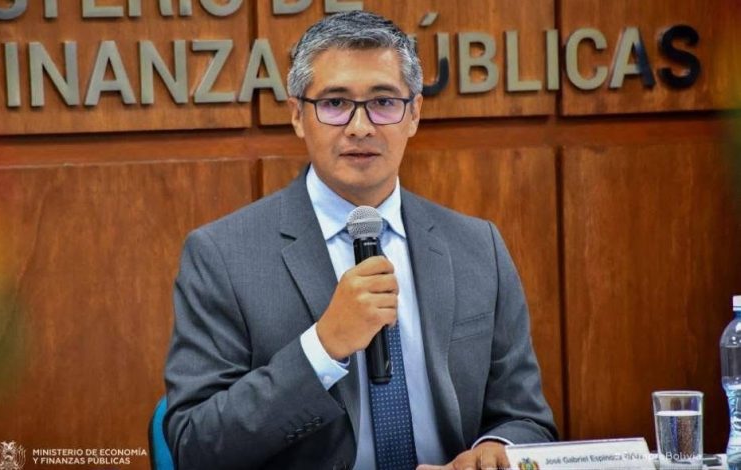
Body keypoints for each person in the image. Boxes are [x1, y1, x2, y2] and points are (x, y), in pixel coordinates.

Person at [164, 10, 557, 470]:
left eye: (383, 102)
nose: (360, 127)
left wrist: (496, 449)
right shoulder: (223, 256)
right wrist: (323, 347)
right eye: (335, 103)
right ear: (297, 115)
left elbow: (525, 417)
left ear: (414, 114)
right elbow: (194, 445)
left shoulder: (477, 246)